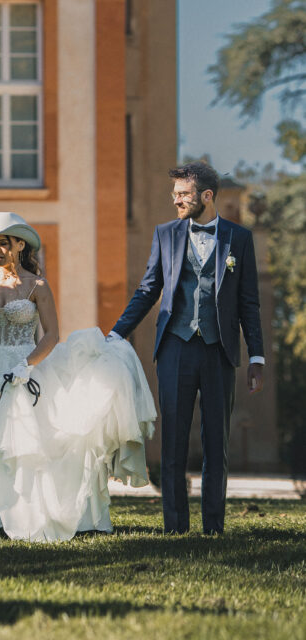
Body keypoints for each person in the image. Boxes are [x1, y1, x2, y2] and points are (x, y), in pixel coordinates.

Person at [0, 211, 156, 542]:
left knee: (15, 449)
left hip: (20, 371)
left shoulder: (37, 285)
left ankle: (17, 510)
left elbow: (52, 335)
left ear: (19, 245)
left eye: (1, 244)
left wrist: (25, 365)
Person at [110, 162, 265, 535]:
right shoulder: (166, 234)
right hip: (175, 349)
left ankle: (213, 527)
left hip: (219, 350)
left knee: (217, 443)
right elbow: (148, 289)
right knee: (173, 443)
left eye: (183, 194)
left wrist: (256, 356)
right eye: (175, 193)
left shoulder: (239, 240)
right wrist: (117, 333)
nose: (175, 200)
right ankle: (175, 527)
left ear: (206, 196)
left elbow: (249, 303)